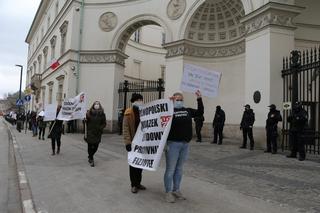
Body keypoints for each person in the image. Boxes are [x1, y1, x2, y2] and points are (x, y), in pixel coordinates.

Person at [164, 90, 203, 203]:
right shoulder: (169, 111)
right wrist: (168, 102)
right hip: (173, 144)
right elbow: (160, 117)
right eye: (177, 100)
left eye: (181, 100)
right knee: (170, 169)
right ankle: (168, 192)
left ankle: (176, 189)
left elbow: (200, 112)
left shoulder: (188, 111)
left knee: (179, 169)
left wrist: (199, 98)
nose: (179, 101)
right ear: (173, 100)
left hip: (185, 144)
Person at [123, 93, 146, 193]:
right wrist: (127, 142)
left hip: (142, 142)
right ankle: (133, 184)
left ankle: (138, 183)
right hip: (133, 142)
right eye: (138, 100)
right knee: (133, 164)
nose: (140, 101)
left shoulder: (145, 111)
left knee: (141, 163)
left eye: (141, 99)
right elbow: (125, 128)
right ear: (134, 101)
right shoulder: (128, 112)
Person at [84, 101, 106, 167]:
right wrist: (84, 120)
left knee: (96, 146)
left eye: (98, 104)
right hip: (90, 132)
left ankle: (90, 156)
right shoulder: (89, 113)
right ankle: (91, 159)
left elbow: (104, 123)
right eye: (95, 104)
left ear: (100, 105)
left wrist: (100, 128)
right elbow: (86, 122)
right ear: (93, 105)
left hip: (98, 132)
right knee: (90, 146)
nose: (96, 105)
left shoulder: (102, 114)